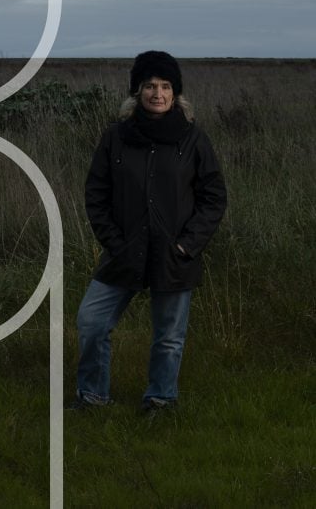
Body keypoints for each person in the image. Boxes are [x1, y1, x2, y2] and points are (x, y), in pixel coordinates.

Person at [72, 50, 227, 411]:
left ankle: (160, 398)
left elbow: (213, 197)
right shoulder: (116, 137)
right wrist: (113, 240)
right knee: (91, 322)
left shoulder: (192, 140)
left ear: (176, 94)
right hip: (124, 251)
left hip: (173, 256)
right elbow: (97, 193)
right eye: (149, 86)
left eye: (165, 86)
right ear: (137, 92)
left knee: (169, 336)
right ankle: (93, 396)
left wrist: (187, 246)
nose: (157, 93)